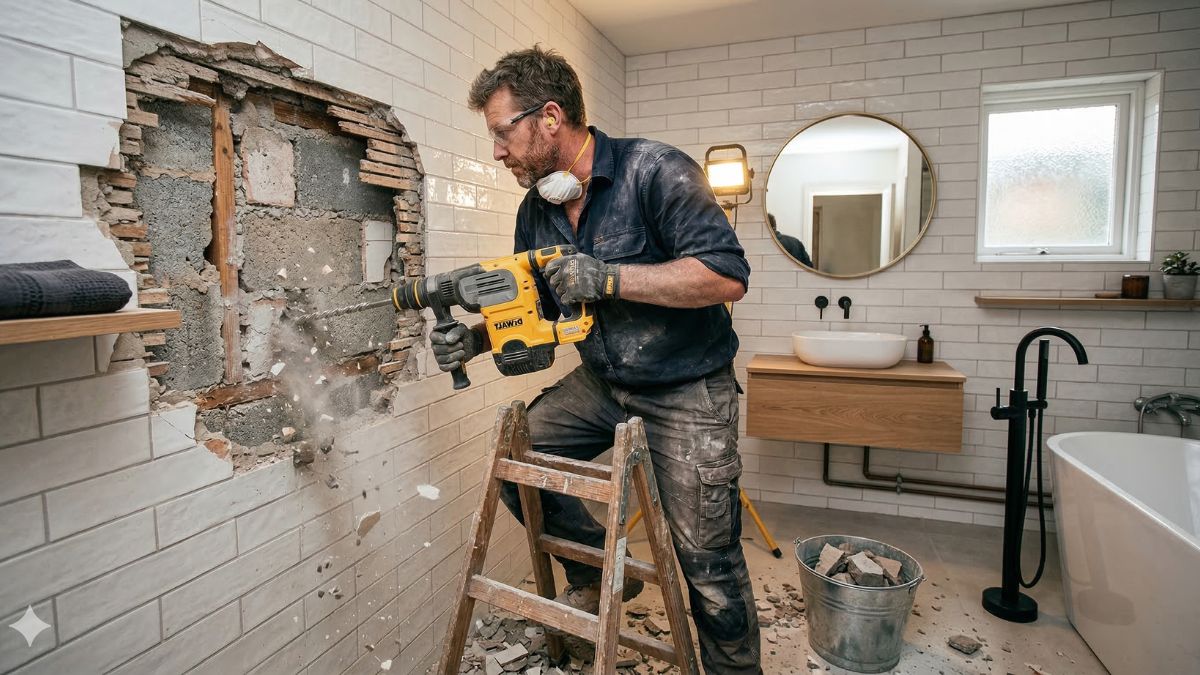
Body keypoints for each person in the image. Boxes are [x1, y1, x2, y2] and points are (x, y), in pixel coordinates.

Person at [430, 46, 761, 674]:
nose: (497, 151)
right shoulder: (537, 211)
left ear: (549, 118)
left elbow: (726, 276)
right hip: (603, 382)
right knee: (520, 463)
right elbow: (539, 309)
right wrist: (476, 341)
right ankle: (597, 568)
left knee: (707, 563)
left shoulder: (655, 171)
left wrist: (610, 280)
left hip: (687, 386)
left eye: (503, 132)